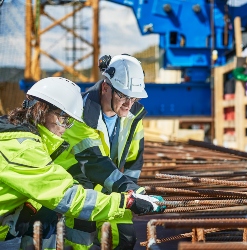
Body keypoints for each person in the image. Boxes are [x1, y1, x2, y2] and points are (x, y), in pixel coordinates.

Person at [0, 77, 163, 249]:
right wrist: (126, 202)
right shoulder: (22, 148)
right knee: (51, 208)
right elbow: (68, 197)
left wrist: (131, 191)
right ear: (42, 110)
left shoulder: (22, 135)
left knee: (46, 211)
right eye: (64, 119)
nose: (65, 128)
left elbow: (65, 179)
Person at [50, 54, 163, 249]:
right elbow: (94, 163)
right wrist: (134, 193)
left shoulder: (133, 116)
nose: (129, 104)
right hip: (77, 188)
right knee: (80, 239)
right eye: (123, 96)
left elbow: (133, 162)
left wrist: (132, 193)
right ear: (105, 87)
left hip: (114, 189)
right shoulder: (79, 113)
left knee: (125, 239)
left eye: (133, 97)